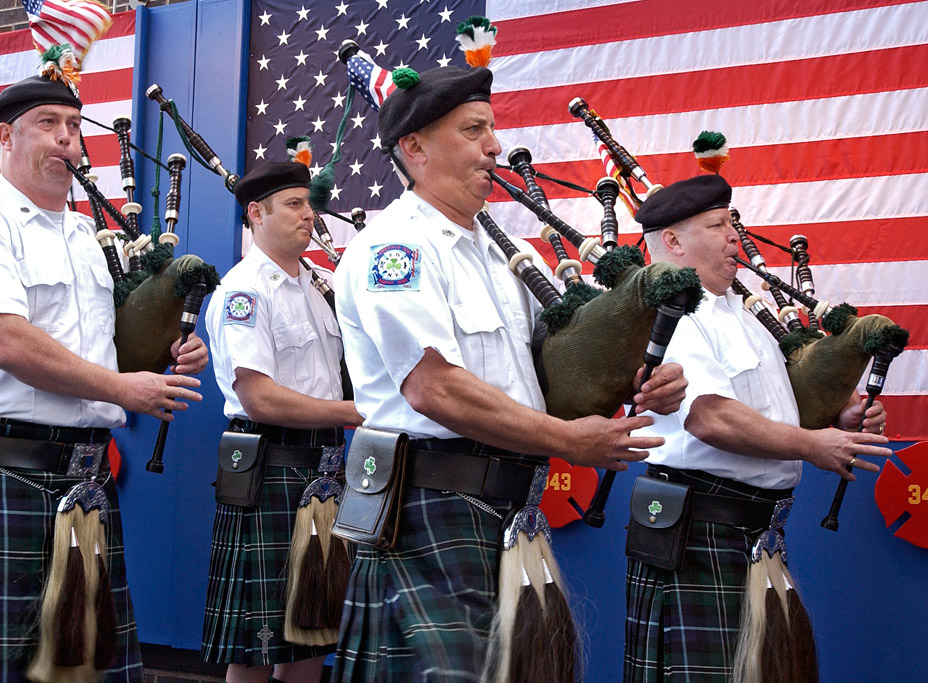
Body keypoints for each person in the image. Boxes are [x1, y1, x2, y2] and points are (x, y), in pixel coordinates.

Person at [329, 65, 687, 681]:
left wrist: (635, 374)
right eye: (474, 130)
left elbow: (543, 377)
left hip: (507, 509)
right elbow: (433, 387)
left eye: (492, 129)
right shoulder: (397, 250)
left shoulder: (496, 257)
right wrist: (569, 441)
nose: (495, 145)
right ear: (413, 149)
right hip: (429, 510)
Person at [0, 73, 208, 682]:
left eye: (74, 126)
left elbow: (103, 351)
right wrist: (125, 391)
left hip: (83, 478)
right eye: (48, 124)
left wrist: (166, 355)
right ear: (5, 136)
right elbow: (3, 341)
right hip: (0, 470)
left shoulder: (84, 237)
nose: (67, 138)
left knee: (85, 669)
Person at [625, 174, 892, 682]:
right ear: (674, 242)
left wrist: (840, 419)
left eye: (732, 222)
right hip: (698, 527)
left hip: (755, 531)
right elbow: (709, 416)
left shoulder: (744, 317)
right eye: (717, 224)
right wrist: (812, 445)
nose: (734, 235)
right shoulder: (672, 314)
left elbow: (773, 409)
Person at [201, 161, 363, 683]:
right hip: (271, 465)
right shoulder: (245, 291)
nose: (308, 216)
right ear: (256, 212)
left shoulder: (318, 287)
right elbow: (260, 398)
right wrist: (357, 414)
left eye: (308, 204)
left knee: (311, 638)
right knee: (257, 647)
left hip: (323, 471)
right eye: (294, 205)